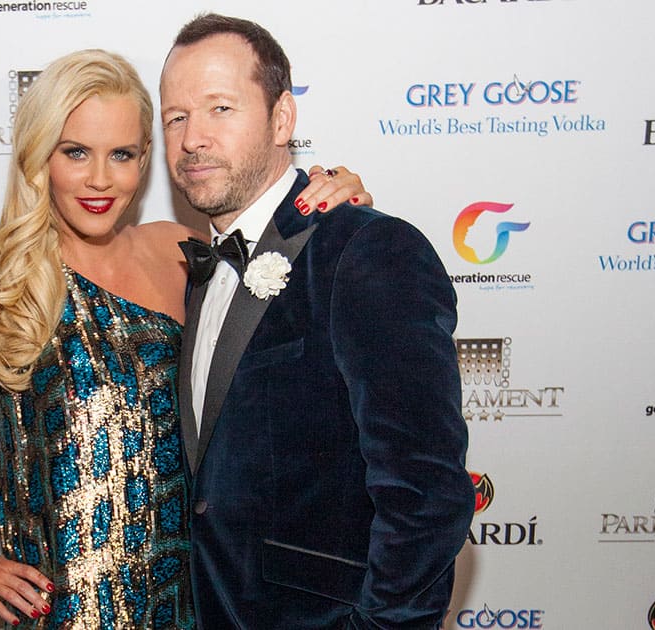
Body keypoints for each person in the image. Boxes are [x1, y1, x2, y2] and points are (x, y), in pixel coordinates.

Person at [0, 49, 370, 629]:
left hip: (199, 598)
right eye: (76, 152)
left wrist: (333, 197)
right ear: (40, 157)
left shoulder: (181, 249)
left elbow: (286, 273)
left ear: (145, 162)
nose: (100, 179)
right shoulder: (5, 285)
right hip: (71, 610)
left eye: (123, 155)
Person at [161, 14, 475, 629]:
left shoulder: (366, 251)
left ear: (282, 119)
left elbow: (426, 489)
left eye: (220, 108)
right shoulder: (194, 267)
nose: (193, 136)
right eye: (176, 117)